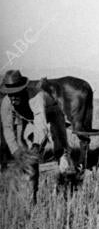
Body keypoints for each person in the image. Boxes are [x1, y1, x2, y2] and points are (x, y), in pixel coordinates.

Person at [0, 70, 75, 203]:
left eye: (16, 94)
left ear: (23, 89)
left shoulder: (36, 97)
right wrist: (15, 151)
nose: (13, 98)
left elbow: (41, 122)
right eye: (10, 95)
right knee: (31, 157)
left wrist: (37, 144)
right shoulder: (6, 103)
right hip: (32, 119)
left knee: (61, 150)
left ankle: (66, 188)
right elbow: (7, 127)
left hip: (53, 114)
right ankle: (32, 195)